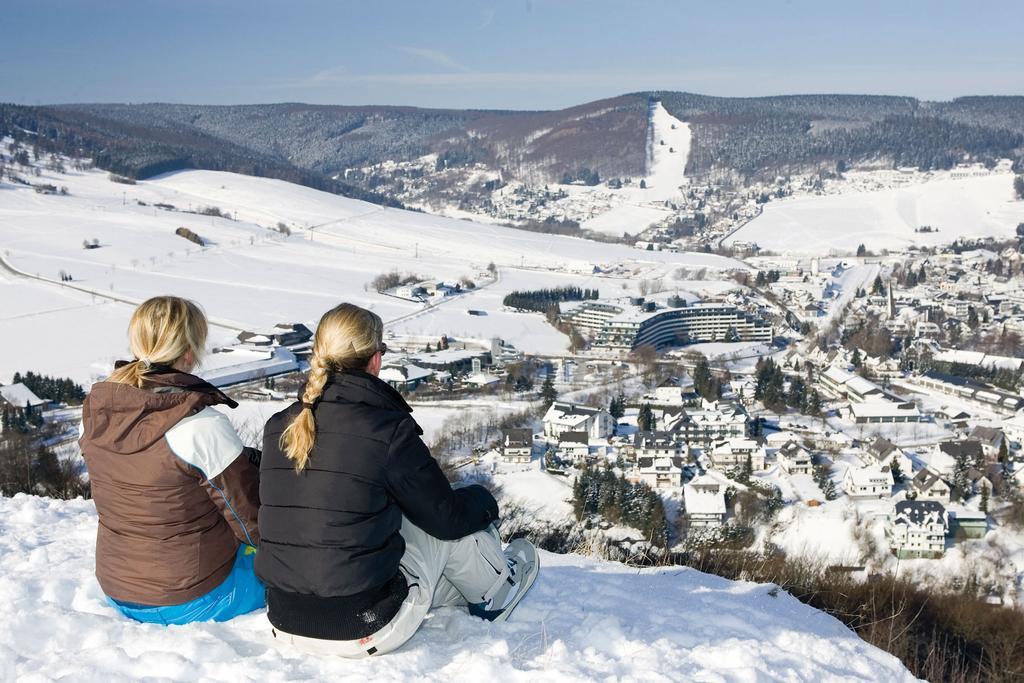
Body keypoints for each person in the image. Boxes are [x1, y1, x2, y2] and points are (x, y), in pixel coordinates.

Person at [258, 302, 539, 657]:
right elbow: (447, 518)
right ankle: (498, 592)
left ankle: (455, 588)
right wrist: (484, 501)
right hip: (362, 624)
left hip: (285, 619)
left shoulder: (277, 427)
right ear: (375, 360)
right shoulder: (386, 431)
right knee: (434, 518)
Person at [79, 296, 263, 625]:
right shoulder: (200, 425)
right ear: (190, 352)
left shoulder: (97, 413)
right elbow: (253, 525)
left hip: (116, 586)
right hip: (194, 596)